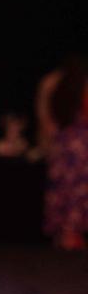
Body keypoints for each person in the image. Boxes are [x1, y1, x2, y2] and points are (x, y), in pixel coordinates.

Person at [43, 56, 88, 250]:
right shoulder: (79, 84)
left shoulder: (51, 82)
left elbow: (46, 117)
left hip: (63, 144)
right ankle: (70, 234)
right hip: (79, 147)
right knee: (75, 191)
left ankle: (67, 233)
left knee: (67, 190)